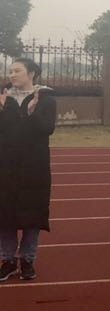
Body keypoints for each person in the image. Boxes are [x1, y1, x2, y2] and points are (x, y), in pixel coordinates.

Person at [0, 58, 56, 282]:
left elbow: (47, 129)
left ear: (31, 73)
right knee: (5, 214)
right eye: (10, 71)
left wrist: (32, 113)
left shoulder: (46, 98)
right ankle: (7, 260)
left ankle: (27, 260)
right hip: (6, 165)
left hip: (34, 167)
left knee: (32, 214)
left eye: (17, 71)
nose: (12, 75)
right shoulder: (4, 97)